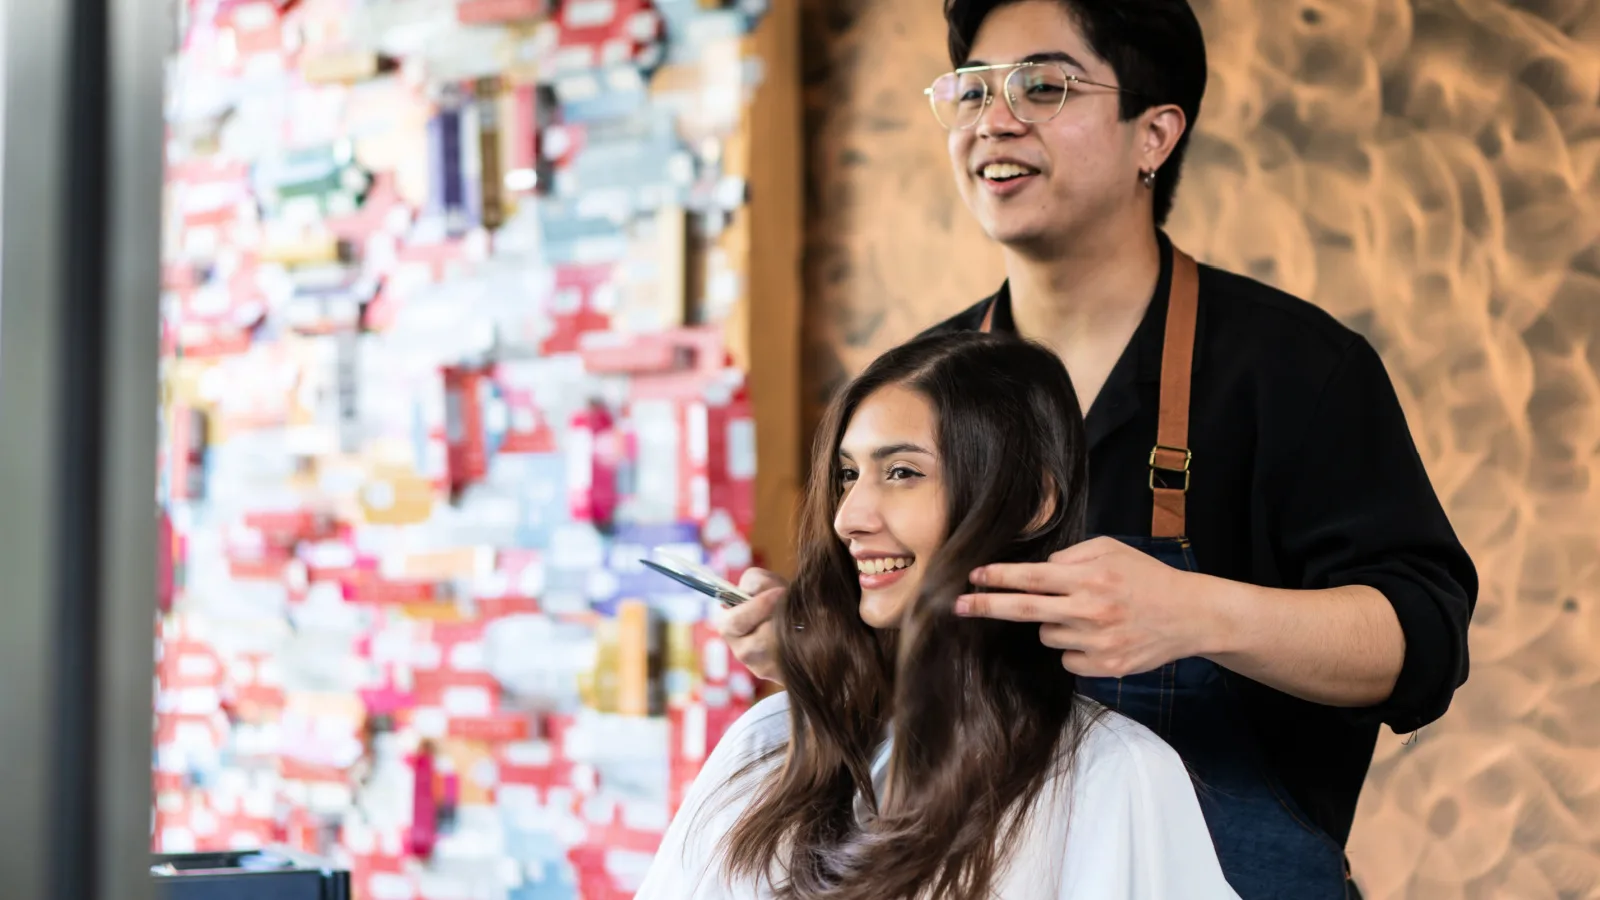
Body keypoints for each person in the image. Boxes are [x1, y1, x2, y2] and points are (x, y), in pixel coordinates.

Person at [719, 1, 1478, 898]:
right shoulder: (921, 392)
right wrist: (822, 638)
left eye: (1043, 85)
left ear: (1155, 134)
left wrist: (1199, 614)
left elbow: (1425, 644)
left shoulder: (1293, 371)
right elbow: (913, 688)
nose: (993, 118)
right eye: (972, 90)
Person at [637, 331, 1240, 900]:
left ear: (1031, 503)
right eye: (849, 474)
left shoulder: (1113, 776)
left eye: (902, 473)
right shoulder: (766, 743)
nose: (850, 516)